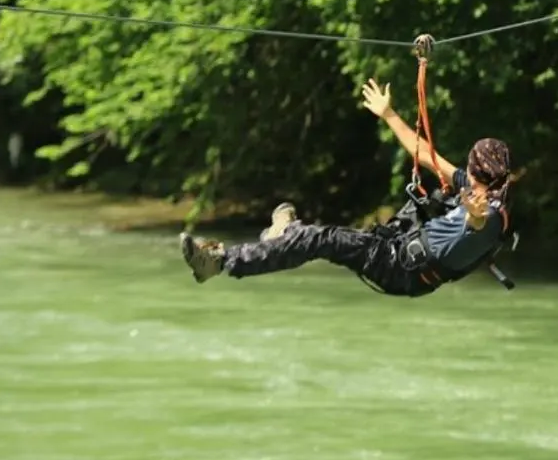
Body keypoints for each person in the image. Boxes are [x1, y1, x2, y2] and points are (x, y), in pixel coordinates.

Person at [179, 77, 513, 297]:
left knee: (320, 239)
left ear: (478, 171)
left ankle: (220, 262)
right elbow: (426, 155)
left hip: (401, 270)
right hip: (397, 248)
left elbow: (478, 223)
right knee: (316, 238)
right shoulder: (475, 186)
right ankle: (285, 231)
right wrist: (388, 114)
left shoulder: (488, 215)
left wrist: (474, 215)